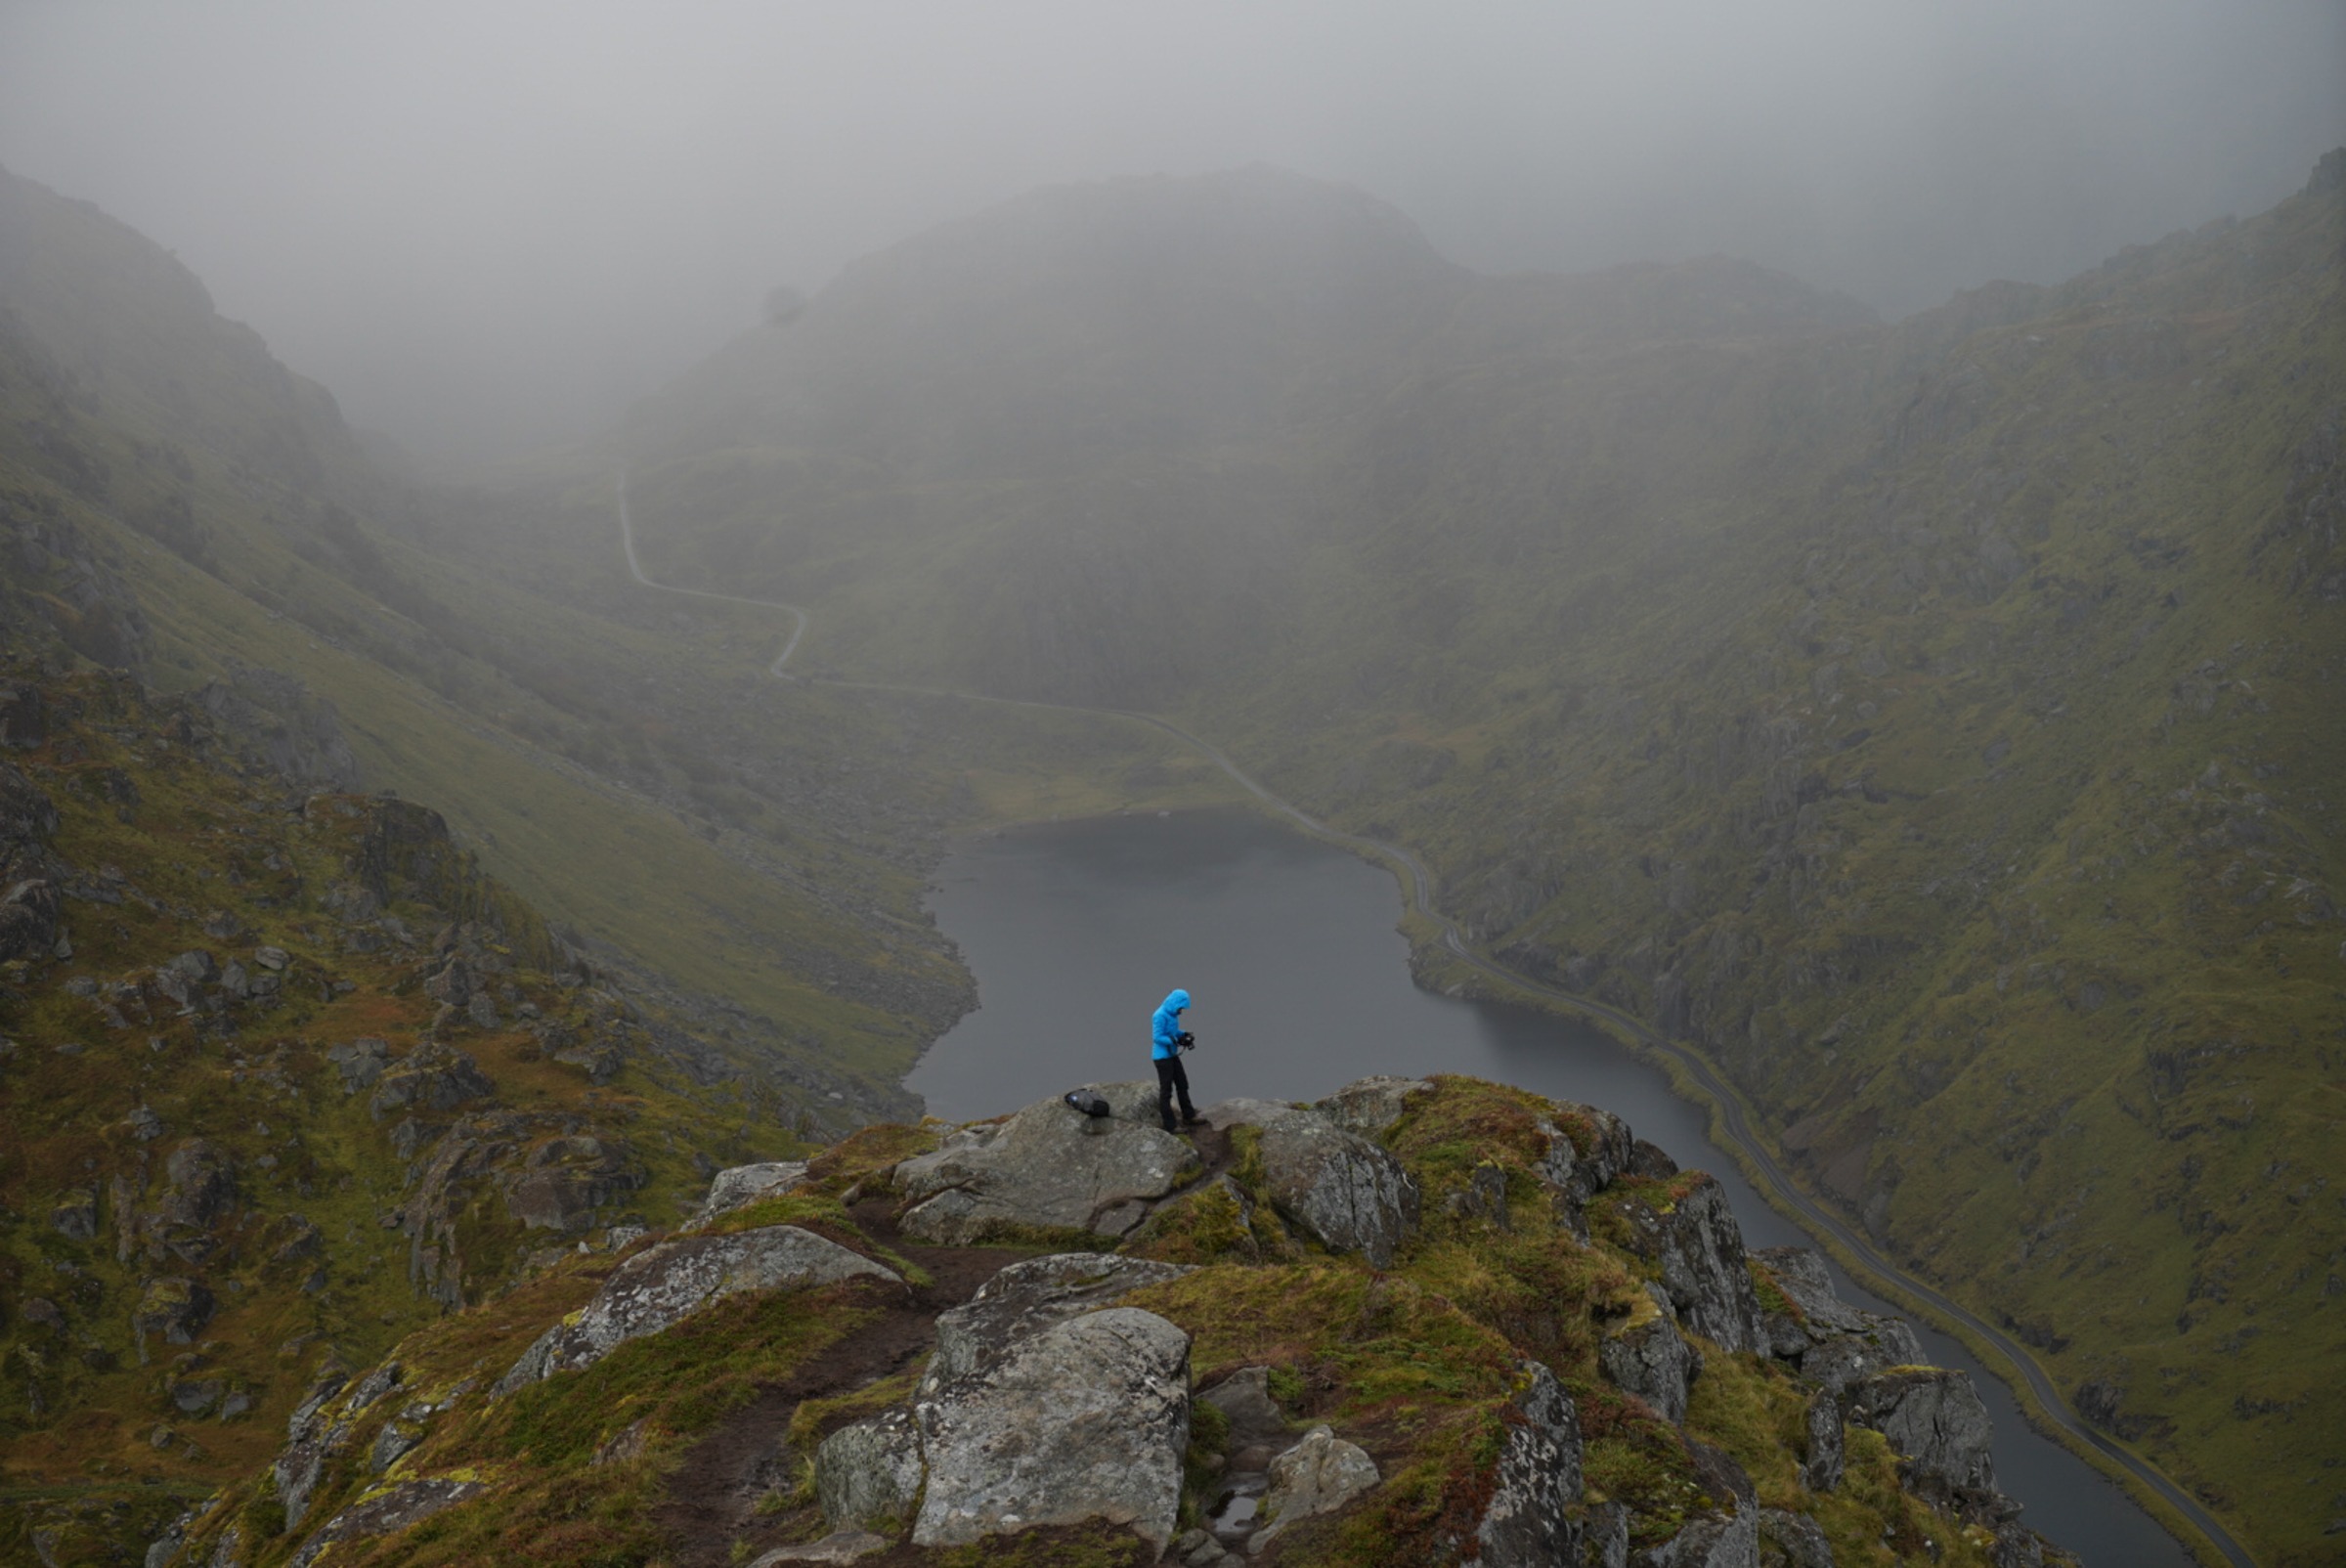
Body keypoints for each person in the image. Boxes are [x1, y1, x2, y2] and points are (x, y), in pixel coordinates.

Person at [1151, 986, 1200, 1133]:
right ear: (1174, 1003)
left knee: (1182, 1083)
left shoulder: (1172, 1015)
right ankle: (1170, 1125)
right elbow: (1157, 1037)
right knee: (1166, 1091)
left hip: (1171, 1055)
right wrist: (1175, 1040)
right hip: (1162, 1058)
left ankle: (1189, 1115)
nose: (1181, 1011)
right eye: (1181, 1007)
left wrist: (1183, 1034)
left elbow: (1173, 1031)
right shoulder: (1159, 1015)